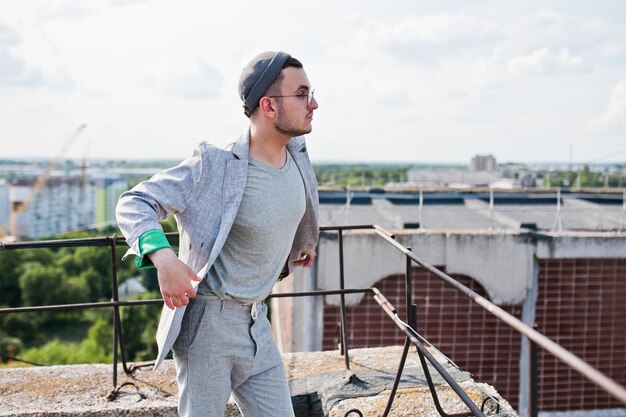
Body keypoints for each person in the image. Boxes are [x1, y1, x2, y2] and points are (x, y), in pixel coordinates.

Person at [116, 51, 320, 417]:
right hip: (208, 327)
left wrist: (302, 243)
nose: (314, 104)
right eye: (303, 94)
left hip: (258, 323)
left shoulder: (298, 154)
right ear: (269, 106)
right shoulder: (216, 166)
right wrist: (163, 258)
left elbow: (297, 203)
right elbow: (135, 202)